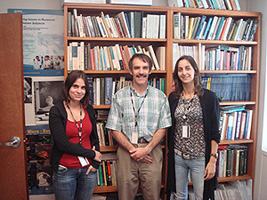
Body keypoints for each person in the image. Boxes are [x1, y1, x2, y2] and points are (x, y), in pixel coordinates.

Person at [106, 53, 172, 200]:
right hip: (126, 152)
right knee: (125, 196)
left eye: (144, 68)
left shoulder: (160, 97)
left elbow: (163, 128)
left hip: (152, 152)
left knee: (153, 195)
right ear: (131, 71)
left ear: (150, 71)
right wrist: (133, 150)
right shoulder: (119, 96)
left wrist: (146, 150)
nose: (140, 72)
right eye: (137, 68)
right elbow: (114, 129)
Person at [166, 55, 220, 200]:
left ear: (195, 70)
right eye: (180, 69)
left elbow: (215, 132)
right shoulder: (173, 97)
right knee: (179, 196)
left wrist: (212, 160)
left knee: (201, 197)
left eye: (188, 68)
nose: (184, 72)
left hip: (200, 158)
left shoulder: (209, 98)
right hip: (178, 157)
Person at [49, 70, 102, 200]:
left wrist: (95, 164)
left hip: (88, 170)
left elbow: (94, 138)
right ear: (68, 87)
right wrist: (93, 154)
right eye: (75, 86)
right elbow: (63, 144)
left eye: (83, 87)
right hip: (65, 170)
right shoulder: (56, 111)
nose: (79, 91)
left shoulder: (88, 109)